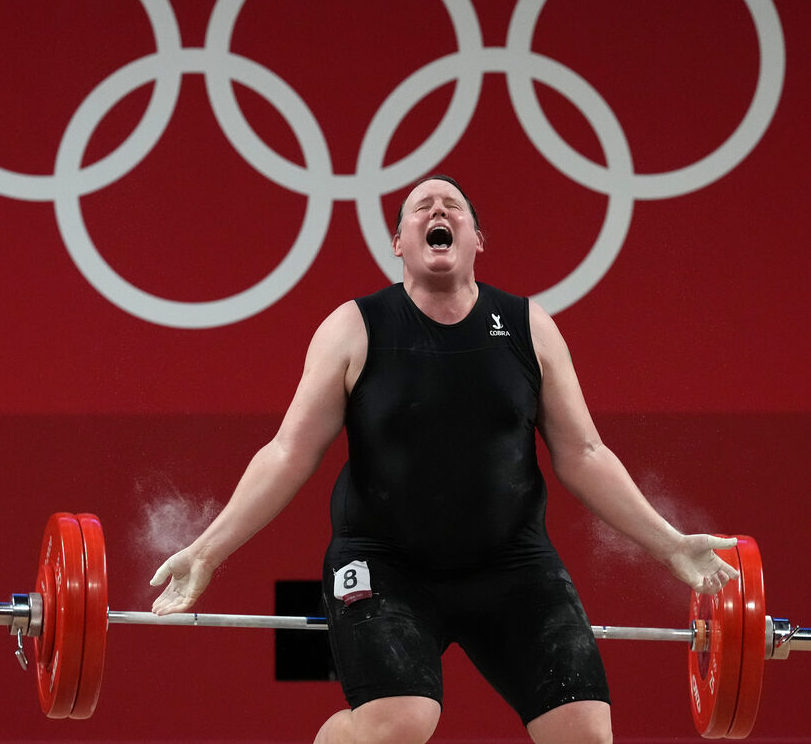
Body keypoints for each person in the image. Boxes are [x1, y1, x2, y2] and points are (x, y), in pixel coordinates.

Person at [150, 175, 739, 744]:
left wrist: (669, 544)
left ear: (477, 239)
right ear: (398, 243)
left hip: (511, 564)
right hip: (384, 564)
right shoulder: (353, 328)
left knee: (585, 734)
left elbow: (584, 454)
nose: (437, 210)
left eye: (452, 206)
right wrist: (207, 552)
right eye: (421, 207)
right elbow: (287, 452)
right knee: (400, 723)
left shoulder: (530, 327)